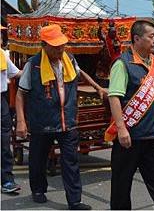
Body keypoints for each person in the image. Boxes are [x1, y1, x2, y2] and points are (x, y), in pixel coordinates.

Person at [15, 24, 107, 210]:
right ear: (44, 45)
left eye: (62, 45)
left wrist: (97, 87)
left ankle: (75, 201)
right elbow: (20, 94)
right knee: (38, 159)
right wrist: (21, 121)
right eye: (55, 46)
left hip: (68, 121)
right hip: (43, 121)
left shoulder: (69, 60)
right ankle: (38, 190)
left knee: (71, 161)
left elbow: (81, 73)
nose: (60, 49)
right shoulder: (32, 65)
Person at [105, 20, 154, 210]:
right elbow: (114, 97)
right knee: (122, 185)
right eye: (151, 36)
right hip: (131, 136)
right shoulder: (122, 64)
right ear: (137, 39)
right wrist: (121, 129)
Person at [1, 24, 22, 194]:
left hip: (1, 101)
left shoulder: (1, 55)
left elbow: (16, 73)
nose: (1, 36)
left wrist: (33, 69)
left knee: (4, 141)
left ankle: (7, 180)